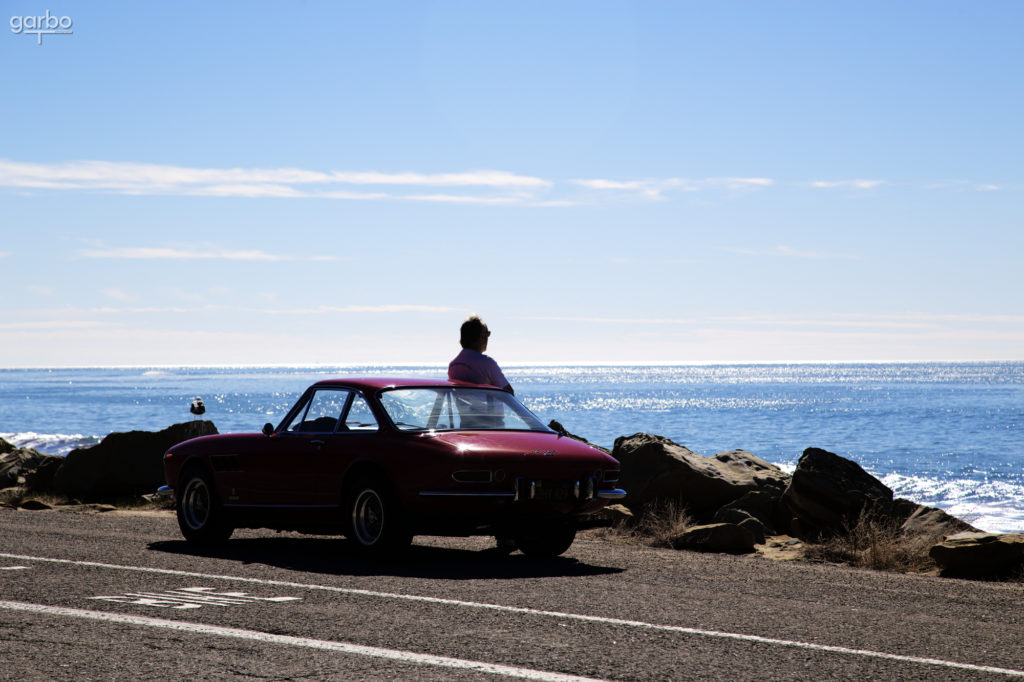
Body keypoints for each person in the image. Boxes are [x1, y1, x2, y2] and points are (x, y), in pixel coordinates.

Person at [448, 315, 514, 394]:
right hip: (487, 407)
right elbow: (508, 392)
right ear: (481, 337)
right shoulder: (487, 364)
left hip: (464, 407)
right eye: (487, 334)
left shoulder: (453, 365)